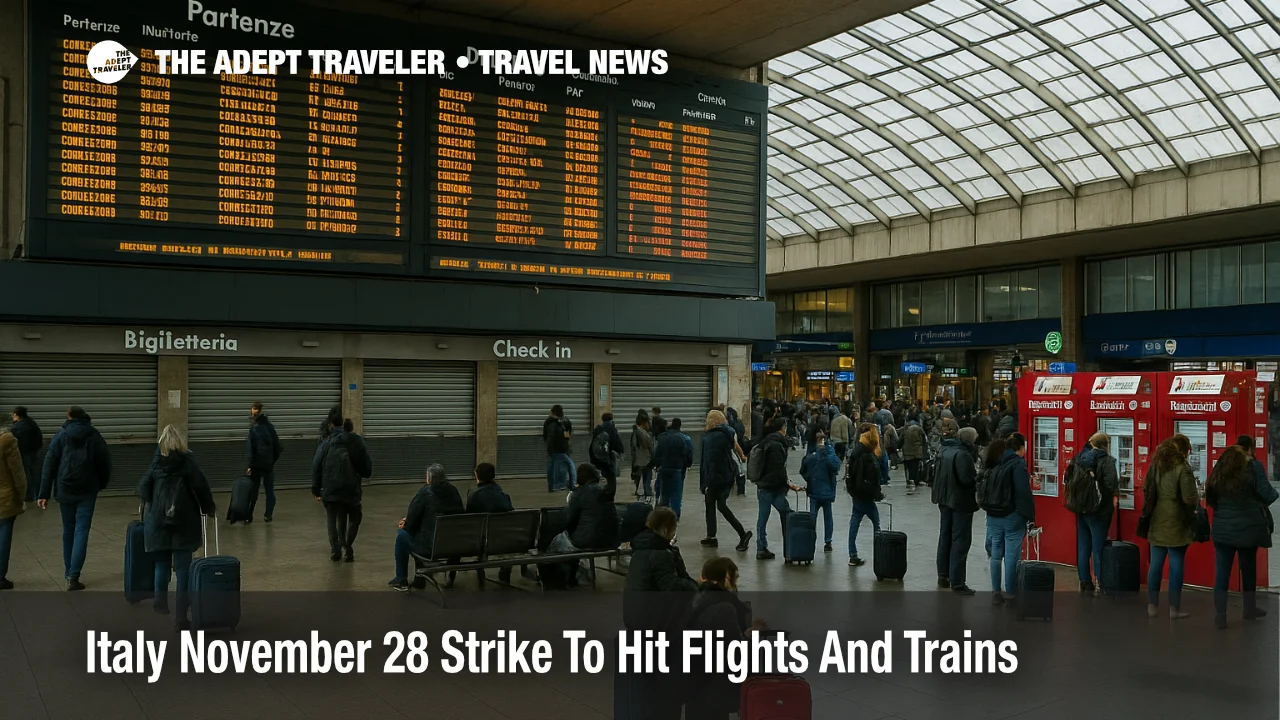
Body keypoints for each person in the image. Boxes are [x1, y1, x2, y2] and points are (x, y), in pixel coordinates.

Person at [618, 506, 697, 720]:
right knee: (664, 685)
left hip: (635, 621)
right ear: (665, 529)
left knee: (646, 682)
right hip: (656, 625)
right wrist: (694, 586)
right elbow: (670, 586)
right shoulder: (661, 554)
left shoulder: (640, 548)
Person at [136, 425, 216, 627]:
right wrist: (209, 508)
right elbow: (202, 487)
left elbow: (143, 490)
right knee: (183, 570)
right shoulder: (188, 463)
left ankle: (160, 603)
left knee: (161, 564)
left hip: (158, 522)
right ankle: (181, 617)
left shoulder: (156, 464)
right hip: (184, 522)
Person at [38, 406, 111, 591]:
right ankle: (74, 576)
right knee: (81, 531)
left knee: (68, 530)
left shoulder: (60, 436)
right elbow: (105, 462)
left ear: (69, 417)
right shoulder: (94, 435)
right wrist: (99, 484)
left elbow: (49, 464)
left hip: (65, 489)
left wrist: (43, 493)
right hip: (87, 490)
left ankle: (67, 572)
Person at [1207, 444, 1278, 629]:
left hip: (1223, 530)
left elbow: (1210, 500)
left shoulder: (1218, 475)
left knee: (1221, 573)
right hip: (1248, 529)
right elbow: (1269, 495)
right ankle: (1249, 609)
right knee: (1248, 571)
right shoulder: (1251, 471)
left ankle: (1220, 616)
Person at [685, 557, 763, 720]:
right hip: (714, 689)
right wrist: (751, 636)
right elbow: (734, 653)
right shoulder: (724, 609)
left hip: (694, 684)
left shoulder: (696, 600)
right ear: (726, 579)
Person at [1143, 434, 1199, 620]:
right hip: (1177, 521)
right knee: (1176, 564)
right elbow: (1189, 499)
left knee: (1156, 564)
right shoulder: (1182, 469)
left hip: (1157, 518)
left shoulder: (1155, 465)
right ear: (1183, 450)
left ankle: (1152, 605)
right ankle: (1174, 609)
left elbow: (1147, 489)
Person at [311, 405, 373, 563]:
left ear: (331, 424)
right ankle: (347, 545)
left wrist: (316, 489)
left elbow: (316, 465)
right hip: (351, 489)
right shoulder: (355, 440)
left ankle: (335, 550)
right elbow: (366, 465)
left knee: (332, 518)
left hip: (330, 489)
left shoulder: (326, 443)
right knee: (350, 518)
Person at [388, 464, 463, 591]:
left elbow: (412, 519)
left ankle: (401, 579)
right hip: (453, 544)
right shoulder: (453, 491)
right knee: (421, 533)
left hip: (430, 547)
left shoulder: (425, 492)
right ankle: (420, 578)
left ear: (428, 479)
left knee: (402, 535)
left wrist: (405, 524)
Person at [984, 434, 1035, 606]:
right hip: (1012, 515)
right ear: (1019, 448)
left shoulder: (995, 461)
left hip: (993, 514)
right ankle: (1011, 593)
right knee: (1012, 555)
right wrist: (1029, 515)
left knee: (996, 554)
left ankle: (996, 592)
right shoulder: (1017, 465)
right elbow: (1023, 493)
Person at [1068, 433, 1120, 592]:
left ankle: (1085, 580)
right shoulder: (1106, 460)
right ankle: (1100, 581)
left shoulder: (1078, 458)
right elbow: (1110, 483)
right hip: (1099, 510)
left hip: (1080, 508)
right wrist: (1115, 496)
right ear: (1106, 445)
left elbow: (1067, 478)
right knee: (1098, 548)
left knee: (1083, 546)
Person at [931, 425, 979, 595]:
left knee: (945, 535)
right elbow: (967, 480)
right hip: (960, 501)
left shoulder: (945, 449)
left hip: (944, 499)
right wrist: (978, 477)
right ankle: (958, 581)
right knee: (961, 540)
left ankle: (943, 575)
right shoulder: (963, 455)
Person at [699, 410, 751, 550]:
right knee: (712, 504)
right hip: (726, 475)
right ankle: (712, 536)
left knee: (717, 505)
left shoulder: (712, 437)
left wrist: (706, 482)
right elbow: (735, 446)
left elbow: (709, 461)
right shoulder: (726, 434)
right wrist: (742, 456)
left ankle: (742, 533)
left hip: (716, 477)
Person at [752, 418, 799, 560]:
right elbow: (777, 469)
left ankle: (763, 547)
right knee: (784, 514)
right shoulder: (776, 445)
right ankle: (788, 546)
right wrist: (786, 484)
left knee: (764, 518)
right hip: (772, 488)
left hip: (764, 486)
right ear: (782, 428)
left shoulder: (766, 441)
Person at [550, 462, 619, 553]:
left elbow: (568, 519)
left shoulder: (579, 493)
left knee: (559, 539)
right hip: (611, 541)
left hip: (587, 541)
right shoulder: (604, 491)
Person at [845, 423, 884, 567]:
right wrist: (877, 493)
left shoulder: (855, 452)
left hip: (856, 494)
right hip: (865, 496)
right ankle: (880, 553)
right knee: (876, 524)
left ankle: (852, 554)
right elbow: (872, 477)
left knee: (854, 522)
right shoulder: (867, 456)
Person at [800, 431, 840, 553]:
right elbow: (836, 467)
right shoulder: (829, 453)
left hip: (814, 492)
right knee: (828, 517)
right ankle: (828, 542)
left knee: (812, 517)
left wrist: (809, 478)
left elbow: (803, 469)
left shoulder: (811, 454)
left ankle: (811, 539)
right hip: (827, 492)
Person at [244, 401, 283, 524]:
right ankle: (268, 515)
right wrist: (272, 460)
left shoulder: (253, 429)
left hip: (256, 465)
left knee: (253, 491)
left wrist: (249, 465)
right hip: (268, 465)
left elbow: (250, 450)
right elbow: (278, 447)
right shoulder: (270, 427)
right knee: (269, 491)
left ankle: (249, 516)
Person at [0, 422, 26, 589]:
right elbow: (17, 472)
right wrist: (22, 494)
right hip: (5, 497)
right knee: (3, 534)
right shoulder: (6, 440)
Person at [10, 407, 41, 503]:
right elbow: (39, 437)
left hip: (23, 453)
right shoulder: (31, 423)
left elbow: (14, 442)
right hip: (32, 452)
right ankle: (35, 494)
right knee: (32, 472)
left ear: (17, 415)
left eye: (13, 414)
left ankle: (28, 495)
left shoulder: (18, 427)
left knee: (25, 473)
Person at [543, 405, 574, 493]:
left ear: (553, 412)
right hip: (563, 448)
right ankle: (562, 484)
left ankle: (553, 486)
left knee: (552, 466)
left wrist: (549, 447)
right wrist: (568, 444)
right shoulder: (565, 421)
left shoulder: (548, 422)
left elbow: (545, 435)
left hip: (553, 448)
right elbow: (569, 433)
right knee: (564, 465)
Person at [589, 412, 626, 487]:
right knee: (611, 474)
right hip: (608, 456)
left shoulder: (598, 429)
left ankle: (599, 487)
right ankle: (609, 489)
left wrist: (592, 455)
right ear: (611, 419)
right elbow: (616, 442)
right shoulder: (612, 429)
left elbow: (593, 442)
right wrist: (621, 451)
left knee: (600, 472)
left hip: (598, 456)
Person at [629, 410, 654, 499]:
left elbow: (633, 449)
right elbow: (651, 448)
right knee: (646, 481)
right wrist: (653, 459)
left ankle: (641, 495)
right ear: (644, 423)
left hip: (637, 462)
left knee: (639, 482)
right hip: (646, 461)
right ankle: (647, 497)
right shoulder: (644, 434)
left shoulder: (634, 433)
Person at [900, 420, 926, 493]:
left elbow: (900, 440)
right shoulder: (919, 429)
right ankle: (915, 480)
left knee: (908, 467)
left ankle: (909, 480)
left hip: (907, 451)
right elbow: (924, 440)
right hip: (917, 451)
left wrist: (898, 446)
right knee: (916, 466)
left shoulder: (905, 430)